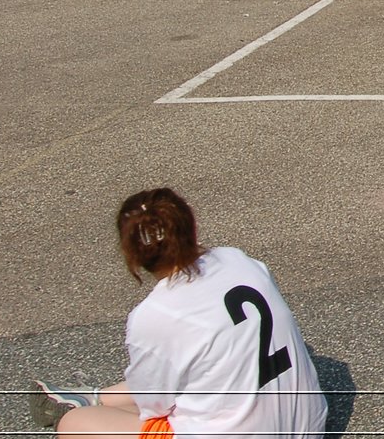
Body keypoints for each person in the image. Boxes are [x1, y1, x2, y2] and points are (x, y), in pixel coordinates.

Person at [29, 187, 327, 438]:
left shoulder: (155, 314)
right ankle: (89, 397)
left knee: (76, 425)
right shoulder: (237, 259)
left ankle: (82, 406)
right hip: (307, 426)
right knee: (188, 370)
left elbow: (155, 405)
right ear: (189, 228)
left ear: (132, 255)